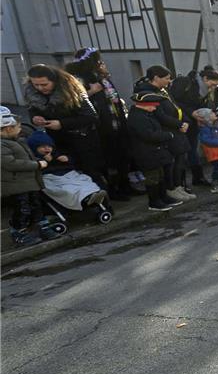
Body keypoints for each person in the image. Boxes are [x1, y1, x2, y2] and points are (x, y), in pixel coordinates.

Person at [23, 64, 104, 187]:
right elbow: (32, 109)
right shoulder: (32, 94)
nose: (40, 88)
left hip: (83, 139)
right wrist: (35, 118)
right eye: (36, 85)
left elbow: (91, 117)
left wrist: (62, 124)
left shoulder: (73, 91)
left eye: (44, 84)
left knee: (91, 172)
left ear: (54, 81)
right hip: (57, 140)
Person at [67, 48, 132, 200]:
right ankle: (114, 190)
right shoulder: (79, 79)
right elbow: (74, 103)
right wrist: (90, 92)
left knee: (122, 156)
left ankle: (126, 185)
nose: (101, 63)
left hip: (116, 122)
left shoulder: (101, 77)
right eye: (97, 61)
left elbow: (114, 98)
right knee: (109, 160)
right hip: (101, 127)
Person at [134, 65, 195, 202]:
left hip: (177, 128)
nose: (169, 81)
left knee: (180, 159)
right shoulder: (148, 93)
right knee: (171, 163)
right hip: (168, 130)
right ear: (156, 78)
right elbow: (160, 115)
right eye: (167, 78)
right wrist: (179, 124)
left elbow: (176, 106)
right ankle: (171, 188)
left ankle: (179, 186)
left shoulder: (163, 90)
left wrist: (185, 121)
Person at [1, 108, 57, 245]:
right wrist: (36, 165)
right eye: (18, 127)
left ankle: (41, 226)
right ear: (8, 128)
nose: (20, 129)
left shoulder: (18, 141)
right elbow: (11, 164)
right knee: (22, 208)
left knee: (36, 205)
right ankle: (19, 232)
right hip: (16, 185)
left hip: (29, 182)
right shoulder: (3, 145)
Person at [126, 92, 180, 211]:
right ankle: (154, 201)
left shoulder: (146, 114)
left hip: (155, 151)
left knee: (160, 175)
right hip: (145, 152)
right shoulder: (137, 118)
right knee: (152, 177)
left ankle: (163, 197)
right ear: (145, 104)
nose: (155, 108)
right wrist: (168, 135)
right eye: (153, 105)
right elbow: (148, 135)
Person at [193, 108, 218, 192]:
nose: (214, 114)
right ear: (207, 117)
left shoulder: (217, 124)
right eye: (211, 113)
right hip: (213, 153)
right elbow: (206, 140)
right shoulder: (205, 128)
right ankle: (216, 184)